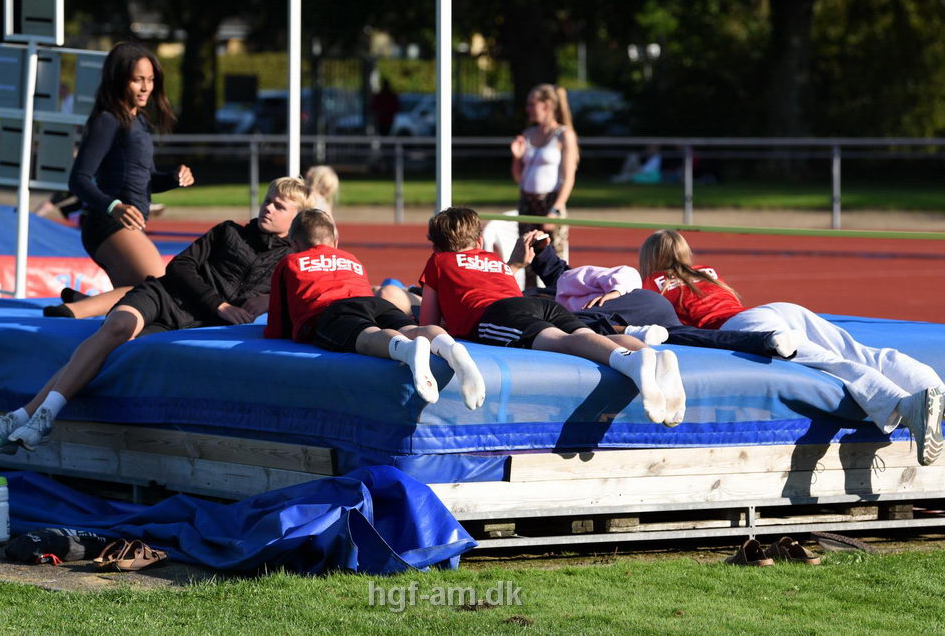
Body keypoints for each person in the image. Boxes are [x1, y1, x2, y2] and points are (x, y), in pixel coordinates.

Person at [0, 177, 312, 455]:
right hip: (162, 295)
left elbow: (301, 290)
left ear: (294, 218)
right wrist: (220, 305)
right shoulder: (228, 231)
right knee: (117, 328)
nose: (268, 207)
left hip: (188, 323)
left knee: (106, 350)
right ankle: (43, 416)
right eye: (268, 200)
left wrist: (267, 299)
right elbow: (180, 265)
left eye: (279, 206)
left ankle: (20, 417)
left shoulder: (287, 264)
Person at [639, 229, 945, 465]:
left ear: (650, 260)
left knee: (830, 364)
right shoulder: (705, 271)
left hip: (739, 327)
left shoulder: (654, 284)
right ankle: (930, 386)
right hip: (776, 310)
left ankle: (906, 407)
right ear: (685, 252)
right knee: (859, 351)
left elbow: (659, 318)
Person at [419, 207, 686, 427]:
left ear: (435, 246)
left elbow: (428, 322)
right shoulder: (494, 260)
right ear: (478, 241)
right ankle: (654, 356)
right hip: (536, 303)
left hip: (496, 314)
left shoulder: (438, 262)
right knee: (587, 336)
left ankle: (630, 362)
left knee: (562, 342)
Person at [265, 209, 485, 410]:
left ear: (294, 244)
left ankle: (408, 350)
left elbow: (277, 320)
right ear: (336, 241)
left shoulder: (291, 261)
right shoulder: (350, 258)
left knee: (369, 336)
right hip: (374, 302)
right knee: (410, 327)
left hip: (332, 310)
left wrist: (276, 333)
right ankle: (449, 347)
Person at [508, 230, 802, 358]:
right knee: (687, 335)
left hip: (645, 308)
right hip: (744, 315)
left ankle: (634, 331)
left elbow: (620, 275)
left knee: (576, 325)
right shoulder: (704, 271)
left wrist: (617, 292)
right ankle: (768, 342)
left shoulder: (652, 280)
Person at [59, 41, 194, 319]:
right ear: (120, 80)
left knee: (142, 305)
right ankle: (74, 310)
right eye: (137, 80)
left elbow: (143, 180)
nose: (146, 88)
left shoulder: (140, 121)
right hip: (107, 225)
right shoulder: (108, 120)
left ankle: (83, 301)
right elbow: (79, 180)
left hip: (126, 224)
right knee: (157, 288)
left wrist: (173, 178)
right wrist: (114, 207)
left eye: (150, 80)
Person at [509, 83, 578, 268]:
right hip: (527, 201)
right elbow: (519, 179)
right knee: (526, 257)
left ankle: (558, 295)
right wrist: (516, 158)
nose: (528, 109)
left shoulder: (563, 135)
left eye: (532, 104)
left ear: (546, 105)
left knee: (555, 256)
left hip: (550, 201)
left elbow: (568, 177)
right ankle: (528, 294)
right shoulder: (528, 134)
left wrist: (555, 209)